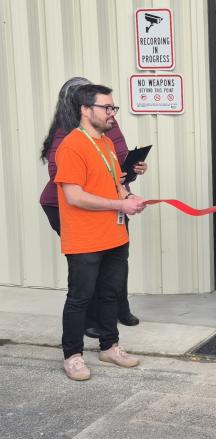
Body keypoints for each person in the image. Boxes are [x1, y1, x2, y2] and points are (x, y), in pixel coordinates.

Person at [39, 77, 147, 335]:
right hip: (67, 207)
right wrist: (117, 198)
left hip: (113, 203)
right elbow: (70, 187)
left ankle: (117, 312)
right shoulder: (67, 137)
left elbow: (115, 166)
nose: (110, 112)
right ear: (81, 107)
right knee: (86, 270)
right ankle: (88, 322)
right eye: (102, 106)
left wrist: (132, 170)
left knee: (115, 262)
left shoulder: (107, 130)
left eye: (111, 107)